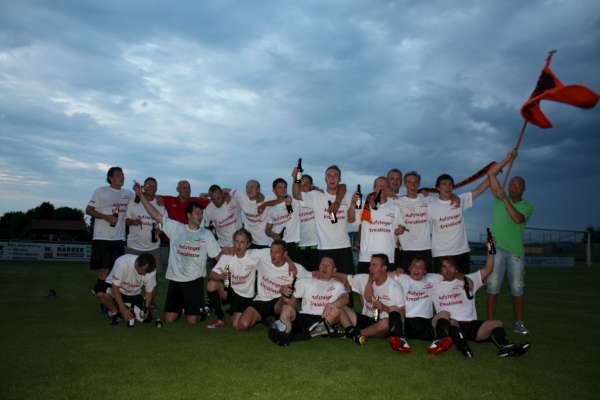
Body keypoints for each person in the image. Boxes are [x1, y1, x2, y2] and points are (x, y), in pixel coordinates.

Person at [134, 182, 221, 325]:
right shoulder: (176, 228)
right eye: (197, 213)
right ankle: (184, 307)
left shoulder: (206, 234)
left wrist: (230, 269)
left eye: (201, 213)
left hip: (194, 281)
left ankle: (201, 309)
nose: (200, 216)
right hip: (175, 279)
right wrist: (140, 195)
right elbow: (155, 215)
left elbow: (218, 257)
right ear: (189, 215)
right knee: (169, 319)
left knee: (192, 321)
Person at [429, 247, 530, 358]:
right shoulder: (434, 282)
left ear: (456, 268)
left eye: (451, 266)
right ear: (439, 270)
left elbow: (489, 268)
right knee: (447, 317)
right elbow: (418, 273)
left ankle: (505, 347)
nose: (448, 270)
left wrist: (490, 247)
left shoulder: (469, 279)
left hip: (470, 324)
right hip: (449, 324)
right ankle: (461, 345)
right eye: (444, 267)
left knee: (497, 323)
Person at [486, 150, 533, 335]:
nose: (513, 187)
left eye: (517, 185)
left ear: (523, 189)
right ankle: (490, 322)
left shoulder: (527, 206)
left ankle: (519, 323)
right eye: (512, 184)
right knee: (492, 285)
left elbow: (517, 219)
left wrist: (504, 198)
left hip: (515, 251)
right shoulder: (499, 198)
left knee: (517, 288)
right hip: (494, 247)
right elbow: (491, 173)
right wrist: (507, 159)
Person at [292, 164, 358, 277]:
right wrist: (296, 178)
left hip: (344, 247)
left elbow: (351, 220)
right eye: (329, 175)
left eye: (335, 175)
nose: (332, 178)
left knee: (347, 281)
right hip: (324, 248)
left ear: (340, 179)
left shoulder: (348, 195)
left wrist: (352, 204)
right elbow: (297, 195)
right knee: (325, 282)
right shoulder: (316, 196)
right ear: (325, 179)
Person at [269, 256, 348, 346]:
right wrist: (284, 293)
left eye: (328, 266)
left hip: (323, 318)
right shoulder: (306, 282)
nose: (324, 268)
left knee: (337, 311)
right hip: (304, 316)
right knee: (286, 308)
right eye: (322, 265)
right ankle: (286, 333)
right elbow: (292, 302)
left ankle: (294, 335)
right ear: (319, 267)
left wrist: (332, 305)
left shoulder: (337, 285)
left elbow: (345, 298)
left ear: (334, 270)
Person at [337, 254, 409, 351]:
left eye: (374, 265)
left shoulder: (394, 287)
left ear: (384, 268)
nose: (370, 268)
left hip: (381, 325)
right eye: (370, 265)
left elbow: (402, 313)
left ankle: (355, 334)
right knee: (341, 307)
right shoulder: (365, 279)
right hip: (366, 320)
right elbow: (344, 277)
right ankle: (353, 331)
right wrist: (327, 274)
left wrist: (383, 307)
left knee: (385, 323)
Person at [236, 240, 311, 331]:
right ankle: (267, 320)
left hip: (279, 303)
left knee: (287, 298)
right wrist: (230, 250)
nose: (273, 255)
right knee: (242, 325)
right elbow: (243, 252)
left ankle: (281, 319)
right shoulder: (263, 258)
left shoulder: (295, 268)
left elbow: (312, 277)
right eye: (271, 252)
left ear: (285, 254)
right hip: (261, 300)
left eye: (277, 252)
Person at [428, 172, 489, 273]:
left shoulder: (460, 200)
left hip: (462, 252)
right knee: (441, 283)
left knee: (463, 282)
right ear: (437, 188)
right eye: (444, 184)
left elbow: (479, 190)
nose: (448, 187)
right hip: (441, 254)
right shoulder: (431, 206)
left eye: (450, 184)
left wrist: (491, 175)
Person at [86, 166, 133, 293]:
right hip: (102, 237)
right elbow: (88, 210)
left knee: (116, 270)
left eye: (122, 174)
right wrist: (106, 217)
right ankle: (101, 292)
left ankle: (101, 292)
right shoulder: (101, 191)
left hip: (119, 238)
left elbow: (139, 202)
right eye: (118, 175)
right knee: (105, 269)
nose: (122, 177)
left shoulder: (128, 193)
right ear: (110, 178)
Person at [206, 228, 260, 329]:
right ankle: (220, 317)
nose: (238, 245)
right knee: (211, 284)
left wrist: (289, 262)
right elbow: (212, 274)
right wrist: (222, 276)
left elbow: (272, 252)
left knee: (237, 325)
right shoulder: (228, 256)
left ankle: (260, 316)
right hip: (232, 292)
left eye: (242, 242)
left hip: (247, 296)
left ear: (248, 244)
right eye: (236, 241)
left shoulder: (254, 255)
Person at [356, 177, 403, 273]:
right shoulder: (365, 205)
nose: (382, 188)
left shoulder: (395, 208)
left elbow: (398, 229)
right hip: (366, 257)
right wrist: (353, 204)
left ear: (389, 188)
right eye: (379, 186)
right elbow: (353, 221)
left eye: (385, 186)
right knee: (364, 282)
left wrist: (400, 231)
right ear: (374, 188)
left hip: (388, 257)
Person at [94, 253, 157, 326]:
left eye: (147, 272)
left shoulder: (151, 270)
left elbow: (149, 292)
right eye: (143, 271)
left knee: (145, 319)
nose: (144, 274)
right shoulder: (122, 262)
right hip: (116, 289)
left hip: (134, 293)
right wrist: (123, 309)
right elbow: (115, 287)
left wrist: (146, 309)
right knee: (100, 293)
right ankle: (115, 312)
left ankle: (120, 306)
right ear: (137, 263)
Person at [392, 257, 442, 344]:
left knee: (426, 339)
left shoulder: (432, 279)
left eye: (420, 267)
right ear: (409, 268)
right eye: (414, 266)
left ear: (425, 271)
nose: (416, 269)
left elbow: (448, 275)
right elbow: (384, 275)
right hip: (408, 319)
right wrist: (394, 272)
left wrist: (459, 274)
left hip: (426, 320)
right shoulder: (402, 278)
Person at [394, 171, 434, 271]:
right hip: (406, 249)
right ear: (405, 184)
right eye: (409, 182)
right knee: (406, 280)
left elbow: (445, 198)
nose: (412, 185)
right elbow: (381, 196)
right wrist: (396, 232)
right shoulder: (397, 201)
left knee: (427, 279)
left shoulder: (428, 199)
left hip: (425, 248)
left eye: (415, 182)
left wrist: (454, 196)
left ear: (419, 184)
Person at [125, 177, 165, 267]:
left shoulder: (160, 204)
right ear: (143, 187)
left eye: (154, 186)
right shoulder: (133, 201)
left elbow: (164, 224)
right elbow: (126, 220)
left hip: (154, 248)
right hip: (134, 247)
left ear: (156, 188)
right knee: (131, 273)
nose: (151, 187)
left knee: (153, 273)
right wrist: (133, 222)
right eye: (148, 185)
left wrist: (160, 230)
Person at [229, 180, 274, 249]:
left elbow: (283, 199)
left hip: (266, 242)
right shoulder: (242, 197)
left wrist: (264, 204)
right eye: (247, 187)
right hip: (249, 242)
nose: (249, 190)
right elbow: (227, 190)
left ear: (258, 189)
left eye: (252, 187)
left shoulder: (269, 199)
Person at [265, 178, 302, 261]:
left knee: (293, 268)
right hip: (275, 245)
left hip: (291, 243)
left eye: (285, 187)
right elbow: (267, 229)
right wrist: (272, 234)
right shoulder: (271, 209)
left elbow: (290, 212)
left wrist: (297, 174)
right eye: (280, 187)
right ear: (274, 190)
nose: (283, 190)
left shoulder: (294, 202)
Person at [296, 174, 319, 271]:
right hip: (301, 246)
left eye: (306, 184)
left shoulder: (318, 198)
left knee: (318, 275)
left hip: (317, 244)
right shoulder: (294, 202)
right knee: (303, 276)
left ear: (311, 185)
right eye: (301, 184)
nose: (303, 186)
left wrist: (317, 189)